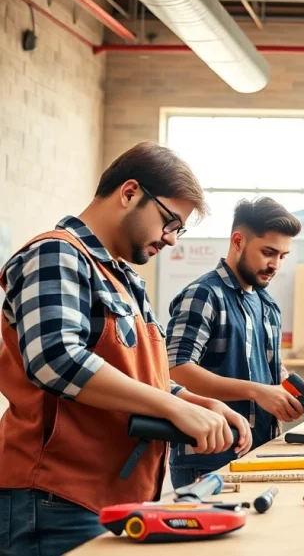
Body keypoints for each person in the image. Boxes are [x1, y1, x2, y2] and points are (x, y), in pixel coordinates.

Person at [0, 142, 253, 556]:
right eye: (169, 222)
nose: (171, 239)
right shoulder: (56, 253)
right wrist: (172, 407)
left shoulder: (124, 279)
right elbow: (55, 359)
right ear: (130, 192)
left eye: (179, 229)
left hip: (113, 496)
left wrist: (197, 402)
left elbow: (138, 378)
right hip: (54, 500)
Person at [164, 197, 304, 488]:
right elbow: (175, 370)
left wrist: (290, 390)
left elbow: (271, 370)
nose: (275, 265)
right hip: (208, 459)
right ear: (238, 241)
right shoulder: (203, 294)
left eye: (283, 256)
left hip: (260, 452)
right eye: (268, 252)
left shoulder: (268, 305)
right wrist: (257, 391)